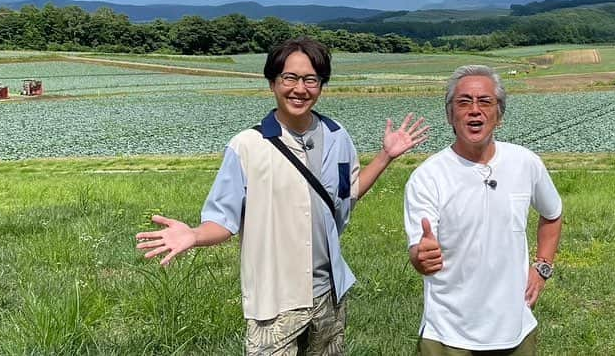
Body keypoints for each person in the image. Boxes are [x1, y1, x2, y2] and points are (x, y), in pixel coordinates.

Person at [136, 37, 429, 355]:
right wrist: (193, 234)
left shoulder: (337, 137)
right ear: (273, 82)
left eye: (310, 80)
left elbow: (347, 194)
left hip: (329, 295)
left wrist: (385, 156)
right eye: (290, 78)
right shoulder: (247, 146)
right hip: (275, 301)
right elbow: (223, 220)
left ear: (321, 85)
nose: (300, 89)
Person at [404, 65, 562, 355]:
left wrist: (542, 268)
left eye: (485, 102)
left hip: (515, 329)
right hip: (448, 335)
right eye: (463, 102)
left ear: (499, 115)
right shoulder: (428, 177)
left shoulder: (525, 163)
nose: (474, 110)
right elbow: (419, 253)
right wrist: (421, 256)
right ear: (450, 115)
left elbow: (552, 214)